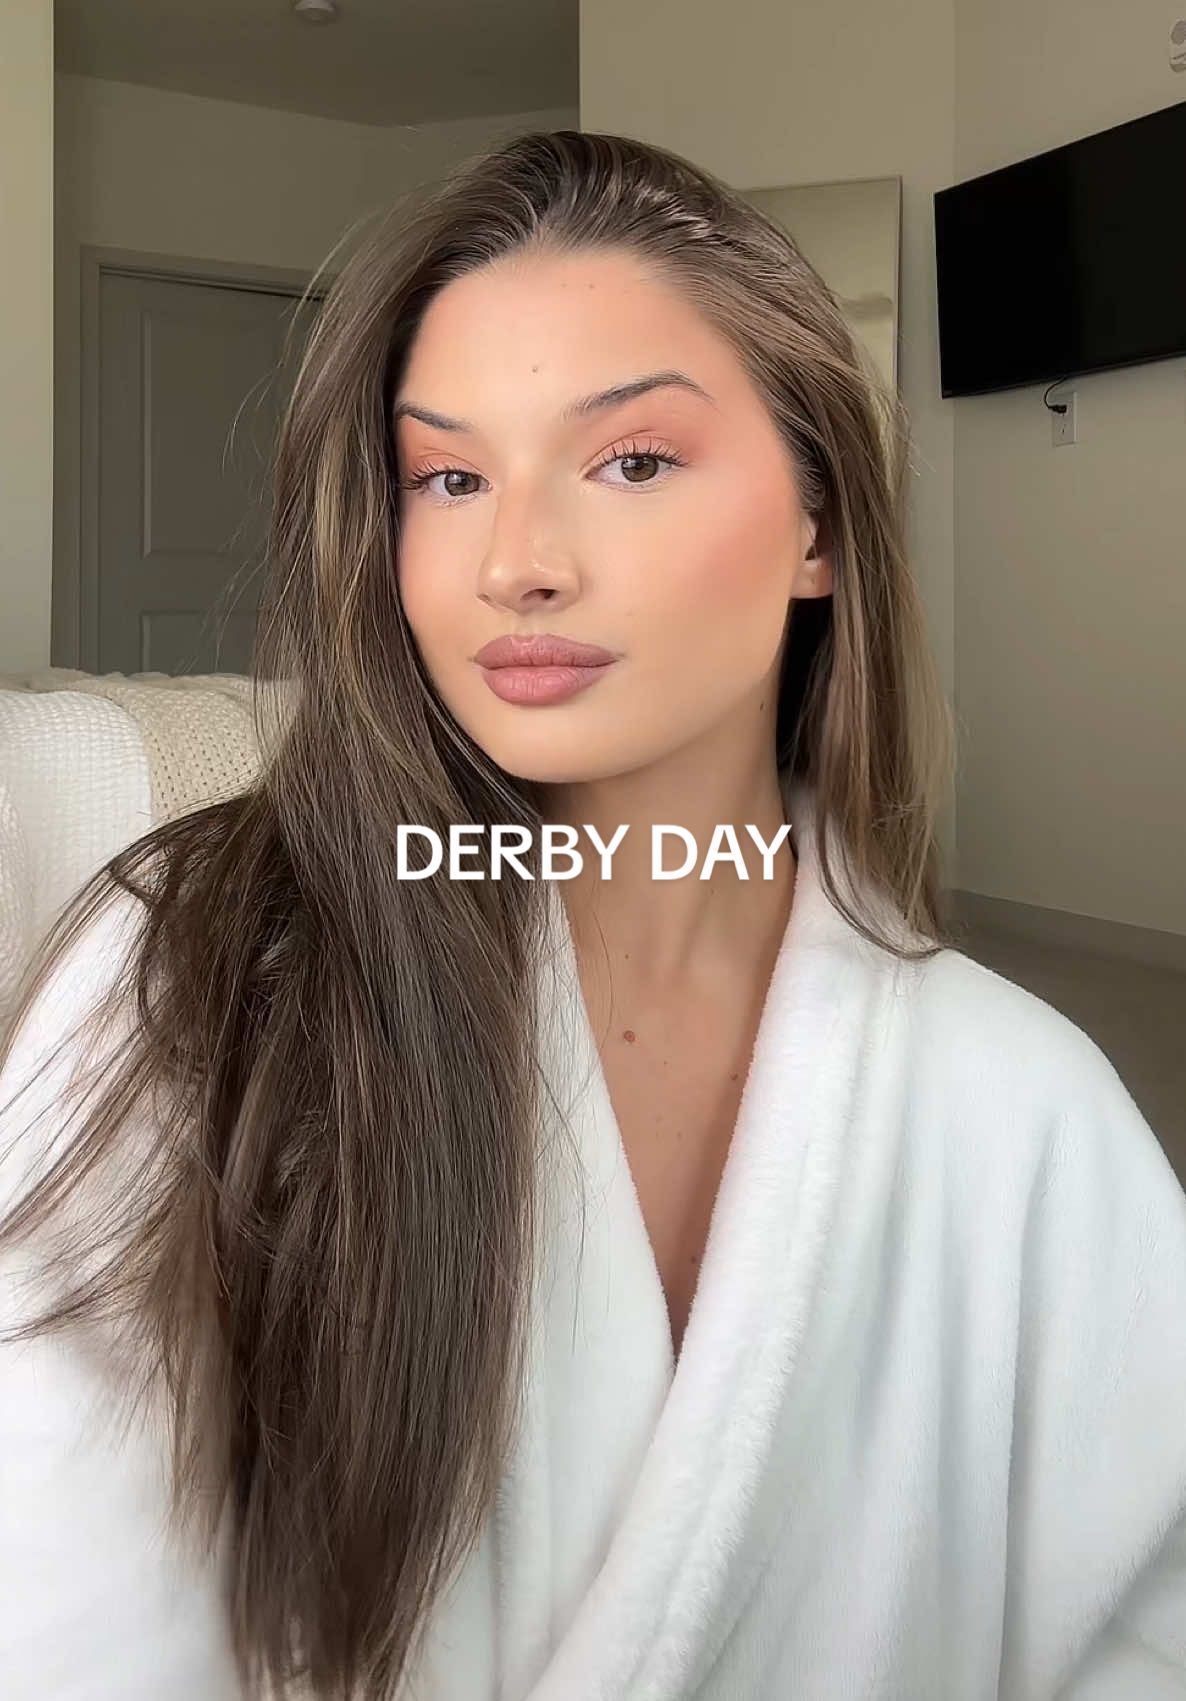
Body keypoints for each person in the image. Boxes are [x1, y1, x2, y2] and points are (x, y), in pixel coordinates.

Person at [1, 128, 1184, 1701]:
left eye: (630, 460)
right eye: (449, 476)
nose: (516, 563)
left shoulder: (1027, 1109)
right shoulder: (189, 978)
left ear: (819, 526)